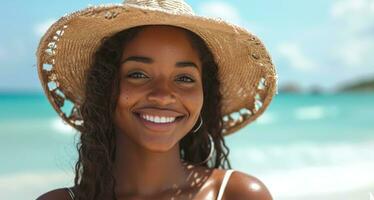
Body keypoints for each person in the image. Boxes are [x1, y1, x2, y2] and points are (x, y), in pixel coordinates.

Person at [35, 0, 277, 199]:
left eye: (184, 78)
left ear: (205, 93)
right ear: (104, 88)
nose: (162, 95)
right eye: (138, 74)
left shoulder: (237, 194)